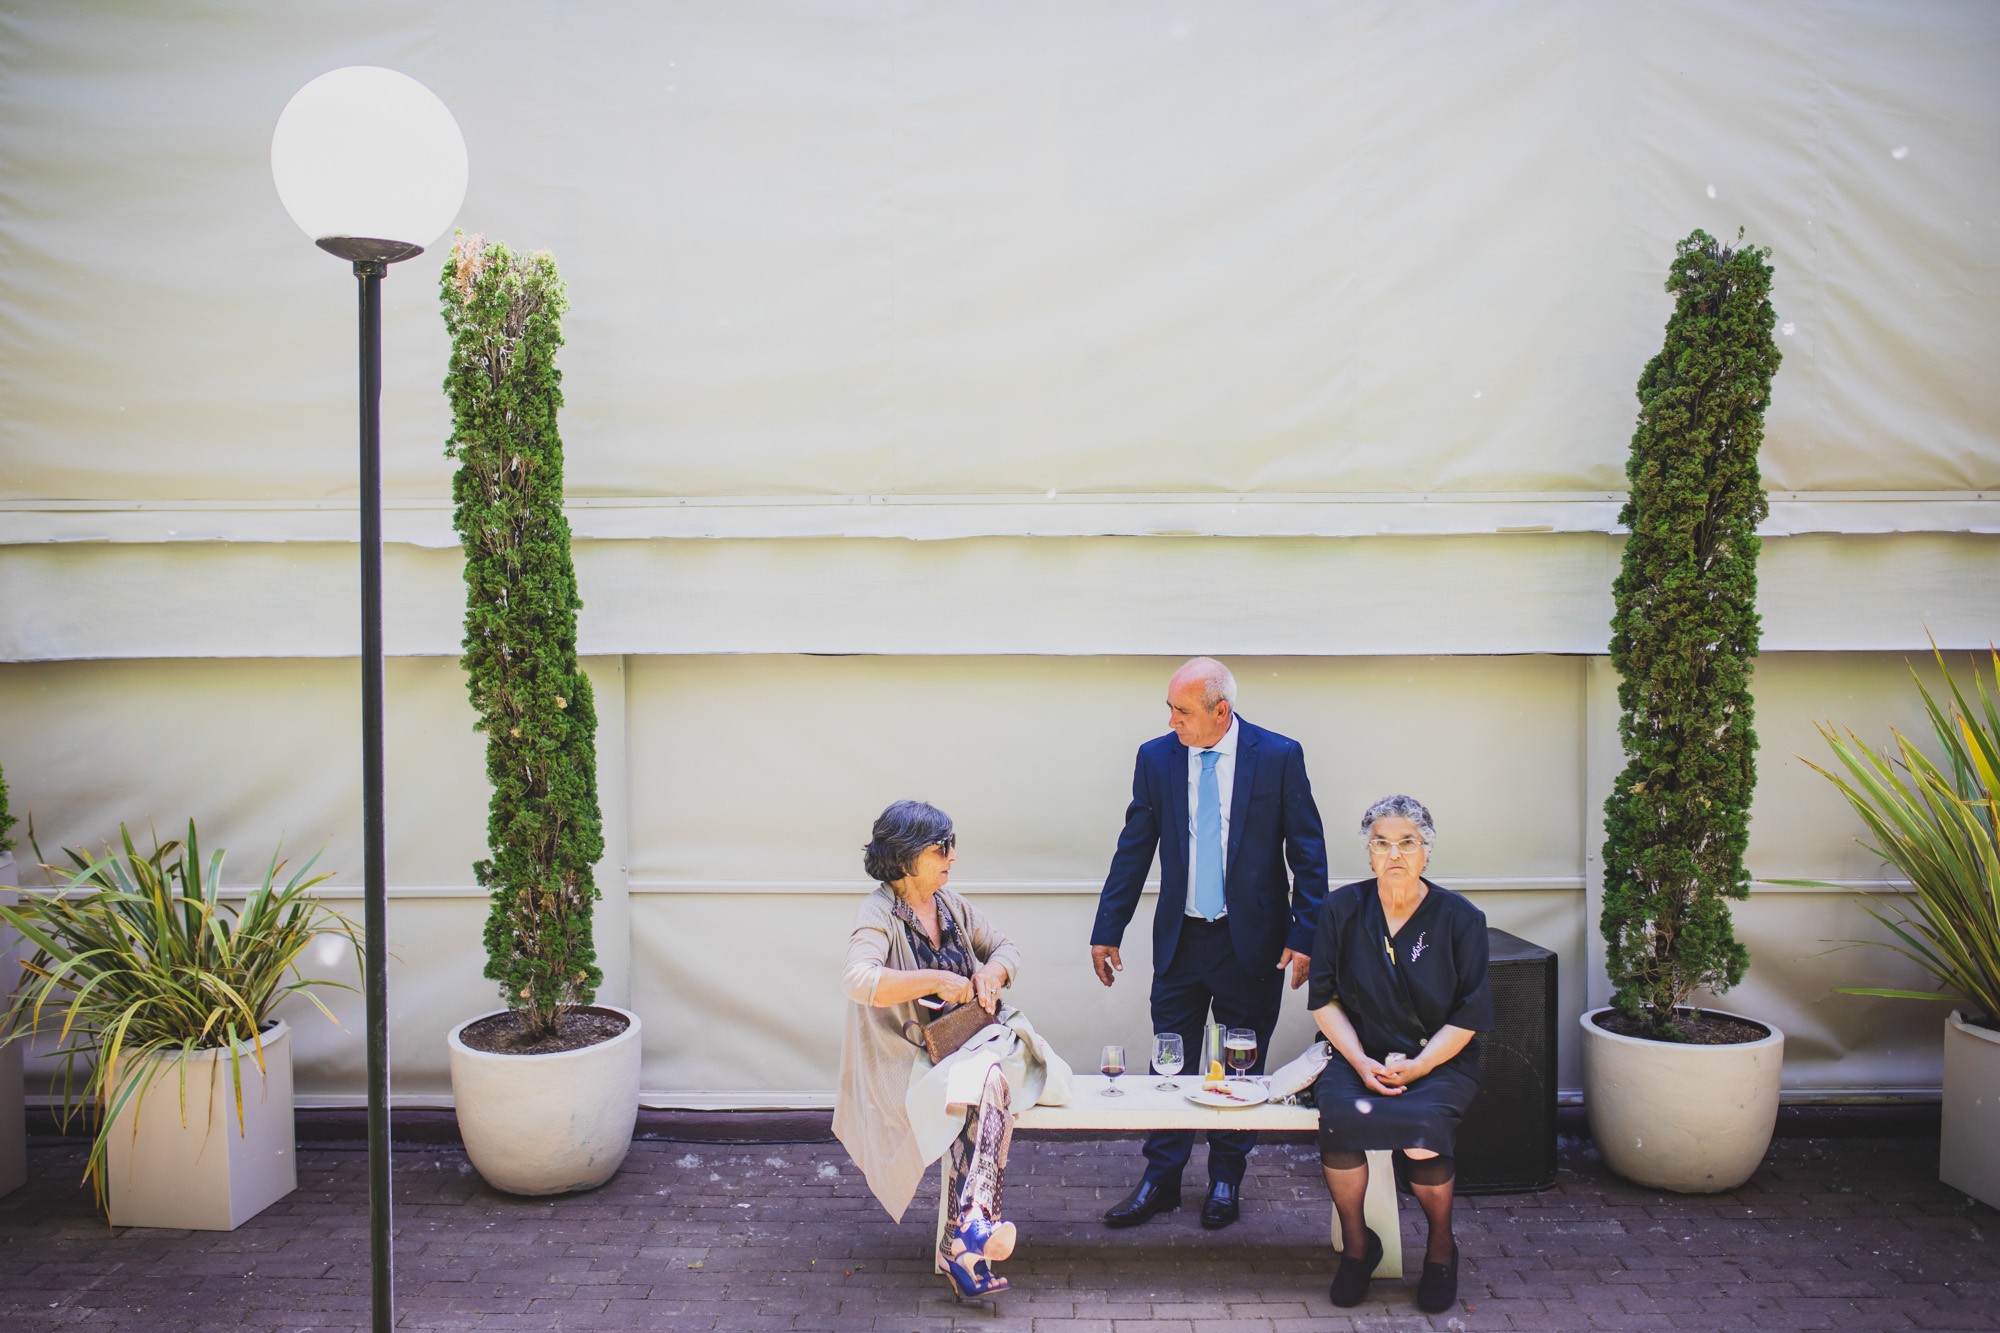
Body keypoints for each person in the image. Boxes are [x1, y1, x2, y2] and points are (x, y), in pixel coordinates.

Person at [1089, 657, 1329, 1229]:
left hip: (1253, 941)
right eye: (1170, 709)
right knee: (1169, 1060)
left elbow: (1308, 851)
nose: (1172, 721)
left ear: (1221, 711)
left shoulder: (1278, 756)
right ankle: (1161, 1179)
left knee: (1239, 1064)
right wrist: (1108, 928)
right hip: (1182, 938)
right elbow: (1134, 845)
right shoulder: (1157, 758)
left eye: (1182, 711)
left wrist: (1306, 935)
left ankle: (1226, 1176)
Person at [834, 800, 1070, 1302]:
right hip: (915, 1060)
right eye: (941, 847)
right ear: (905, 858)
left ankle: (964, 1237)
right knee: (986, 1081)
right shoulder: (879, 911)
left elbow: (1007, 948)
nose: (953, 856)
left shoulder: (951, 905)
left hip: (968, 1046)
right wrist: (937, 979)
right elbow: (858, 979)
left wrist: (991, 974)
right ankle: (969, 1233)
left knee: (985, 1079)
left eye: (952, 845)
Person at [1309, 794, 1492, 1315]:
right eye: (1381, 843)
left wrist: (1422, 1065)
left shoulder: (1460, 918)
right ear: (1368, 853)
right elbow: (1323, 1000)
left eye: (1407, 843)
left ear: (1426, 851)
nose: (1394, 854)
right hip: (1357, 1055)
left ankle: (1440, 1250)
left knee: (1420, 1134)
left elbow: (1470, 1014)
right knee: (1340, 1123)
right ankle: (1358, 1247)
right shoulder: (1342, 909)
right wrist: (1359, 1061)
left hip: (1439, 1059)